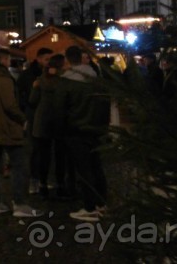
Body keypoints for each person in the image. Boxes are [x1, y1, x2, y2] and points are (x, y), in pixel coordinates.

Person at [0, 49, 42, 218]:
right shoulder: (3, 79)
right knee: (20, 165)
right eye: (9, 59)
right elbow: (10, 105)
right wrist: (23, 119)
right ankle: (20, 203)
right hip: (7, 128)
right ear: (4, 60)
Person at [55, 46, 110, 222]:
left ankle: (90, 207)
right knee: (96, 166)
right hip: (96, 130)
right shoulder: (97, 81)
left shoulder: (66, 82)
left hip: (75, 130)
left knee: (84, 169)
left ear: (68, 60)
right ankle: (101, 204)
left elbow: (59, 110)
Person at [28, 54, 68, 199]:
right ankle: (60, 184)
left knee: (44, 155)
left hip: (43, 120)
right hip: (59, 120)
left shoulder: (39, 81)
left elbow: (32, 101)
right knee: (60, 155)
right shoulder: (64, 81)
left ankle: (43, 184)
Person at [16, 47, 53, 195]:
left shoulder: (50, 74)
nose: (49, 62)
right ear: (38, 59)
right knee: (35, 150)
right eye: (46, 59)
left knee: (47, 150)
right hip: (33, 115)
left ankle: (44, 180)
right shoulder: (27, 76)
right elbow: (21, 95)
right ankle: (34, 180)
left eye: (50, 59)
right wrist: (27, 110)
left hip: (48, 116)